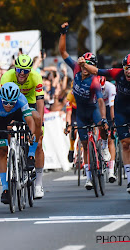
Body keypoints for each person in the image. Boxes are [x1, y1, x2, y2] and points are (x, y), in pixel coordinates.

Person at [59, 22, 110, 190]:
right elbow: (63, 52)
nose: (85, 68)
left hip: (93, 109)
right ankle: (89, 177)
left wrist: (103, 119)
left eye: (89, 65)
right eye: (83, 64)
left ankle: (103, 146)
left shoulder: (95, 81)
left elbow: (101, 101)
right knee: (84, 144)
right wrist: (63, 33)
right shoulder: (75, 69)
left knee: (102, 127)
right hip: (80, 113)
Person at [0, 82, 40, 204]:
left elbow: (29, 120)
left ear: (16, 100)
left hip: (16, 114)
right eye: (5, 102)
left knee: (36, 117)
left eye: (11, 103)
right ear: (1, 99)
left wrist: (31, 133)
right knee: (2, 151)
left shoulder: (21, 99)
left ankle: (30, 155)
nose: (8, 105)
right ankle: (5, 189)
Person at [78, 53, 130, 193]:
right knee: (125, 142)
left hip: (116, 107)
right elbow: (96, 71)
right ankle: (129, 180)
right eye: (126, 68)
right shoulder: (117, 74)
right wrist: (83, 65)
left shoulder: (109, 87)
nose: (129, 71)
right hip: (120, 111)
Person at [0, 54, 45, 198]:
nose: (21, 73)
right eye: (19, 70)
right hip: (11, 105)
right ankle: (10, 157)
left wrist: (40, 122)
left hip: (29, 104)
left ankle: (38, 184)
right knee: (5, 129)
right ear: (15, 68)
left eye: (25, 71)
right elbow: (2, 102)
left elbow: (40, 101)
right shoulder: (7, 77)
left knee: (39, 145)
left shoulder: (36, 77)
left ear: (30, 71)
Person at [99, 76, 117, 183]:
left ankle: (111, 171)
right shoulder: (94, 88)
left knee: (110, 137)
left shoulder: (110, 87)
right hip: (97, 106)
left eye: (102, 89)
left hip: (109, 107)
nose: (101, 91)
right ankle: (102, 145)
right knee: (100, 128)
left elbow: (112, 107)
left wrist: (113, 122)